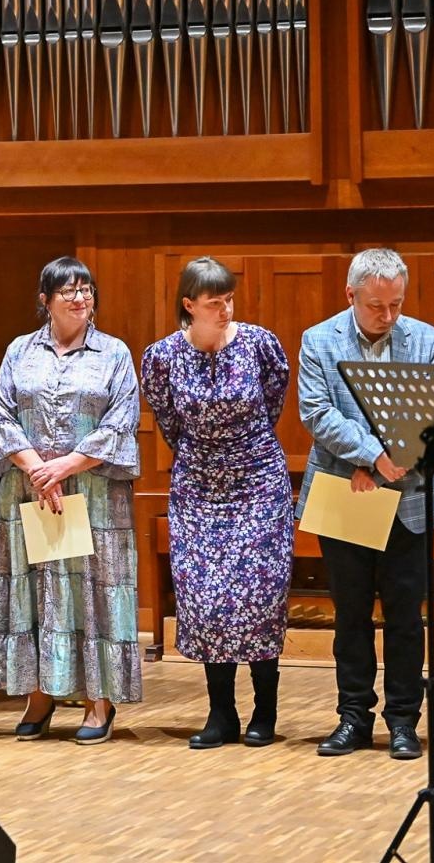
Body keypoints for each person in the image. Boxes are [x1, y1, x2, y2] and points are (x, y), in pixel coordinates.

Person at [0, 258, 143, 745]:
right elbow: (2, 416)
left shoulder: (113, 353)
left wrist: (66, 466)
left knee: (95, 592)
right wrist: (36, 468)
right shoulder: (19, 351)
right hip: (30, 491)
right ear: (45, 300)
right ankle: (38, 694)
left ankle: (99, 700)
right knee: (35, 590)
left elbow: (121, 422)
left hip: (92, 492)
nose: (80, 298)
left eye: (87, 289)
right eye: (68, 290)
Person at [297, 248, 434, 760]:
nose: (389, 316)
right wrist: (370, 455)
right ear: (350, 296)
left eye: (396, 304)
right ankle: (353, 717)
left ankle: (404, 720)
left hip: (406, 498)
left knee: (407, 616)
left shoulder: (427, 340)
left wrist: (387, 460)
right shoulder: (318, 340)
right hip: (346, 494)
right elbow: (317, 413)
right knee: (351, 615)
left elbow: (428, 413)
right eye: (377, 306)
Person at [140, 256, 292, 749]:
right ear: (189, 306)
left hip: (258, 481)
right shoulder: (161, 357)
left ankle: (264, 713)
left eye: (229, 299)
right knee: (206, 599)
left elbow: (273, 401)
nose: (225, 309)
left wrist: (239, 448)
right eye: (214, 303)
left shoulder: (259, 344)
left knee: (258, 596)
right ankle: (221, 713)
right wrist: (205, 455)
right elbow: (167, 421)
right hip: (198, 489)